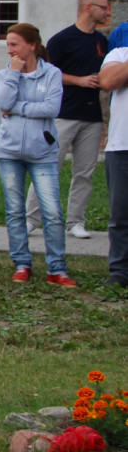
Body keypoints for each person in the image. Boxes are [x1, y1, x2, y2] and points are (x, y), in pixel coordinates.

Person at [0, 23, 75, 286]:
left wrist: (17, 108)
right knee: (15, 211)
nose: (10, 50)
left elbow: (51, 108)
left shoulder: (52, 74)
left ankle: (56, 269)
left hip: (43, 153)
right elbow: (2, 103)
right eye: (7, 44)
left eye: (14, 44)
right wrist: (14, 76)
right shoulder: (5, 73)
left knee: (52, 212)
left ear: (32, 45)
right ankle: (22, 264)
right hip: (8, 152)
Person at [25, 0, 110, 239]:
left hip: (92, 117)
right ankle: (31, 219)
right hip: (62, 115)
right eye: (103, 8)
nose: (107, 13)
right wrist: (79, 81)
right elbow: (46, 74)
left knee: (85, 172)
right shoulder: (62, 40)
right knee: (49, 166)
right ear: (88, 8)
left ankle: (75, 222)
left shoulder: (102, 43)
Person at [98, 44, 128, 288]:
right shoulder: (119, 55)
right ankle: (120, 271)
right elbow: (107, 81)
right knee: (120, 215)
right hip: (122, 147)